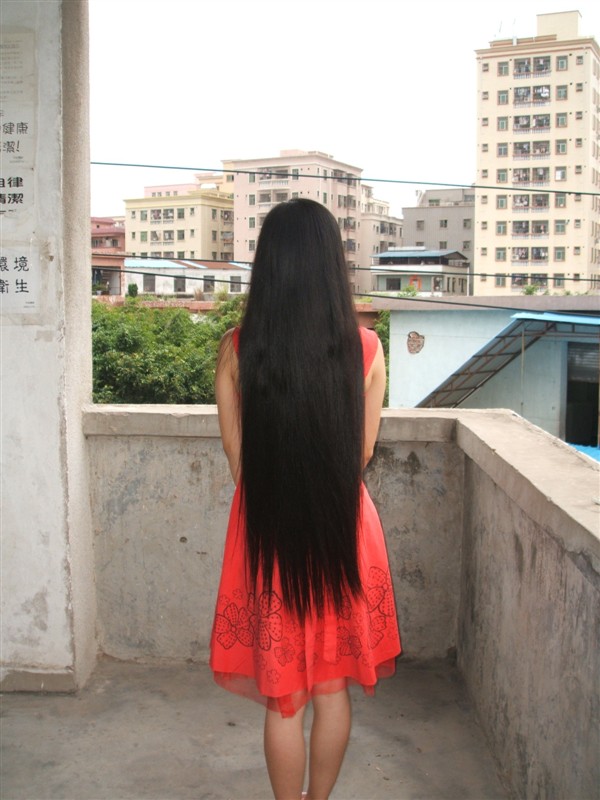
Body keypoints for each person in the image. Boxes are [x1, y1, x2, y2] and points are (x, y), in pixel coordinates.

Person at [210, 198, 401, 800]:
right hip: (340, 525)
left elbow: (240, 462)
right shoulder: (367, 350)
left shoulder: (238, 350)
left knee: (284, 696)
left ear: (268, 266)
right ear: (330, 265)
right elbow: (362, 453)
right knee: (331, 690)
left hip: (267, 529)